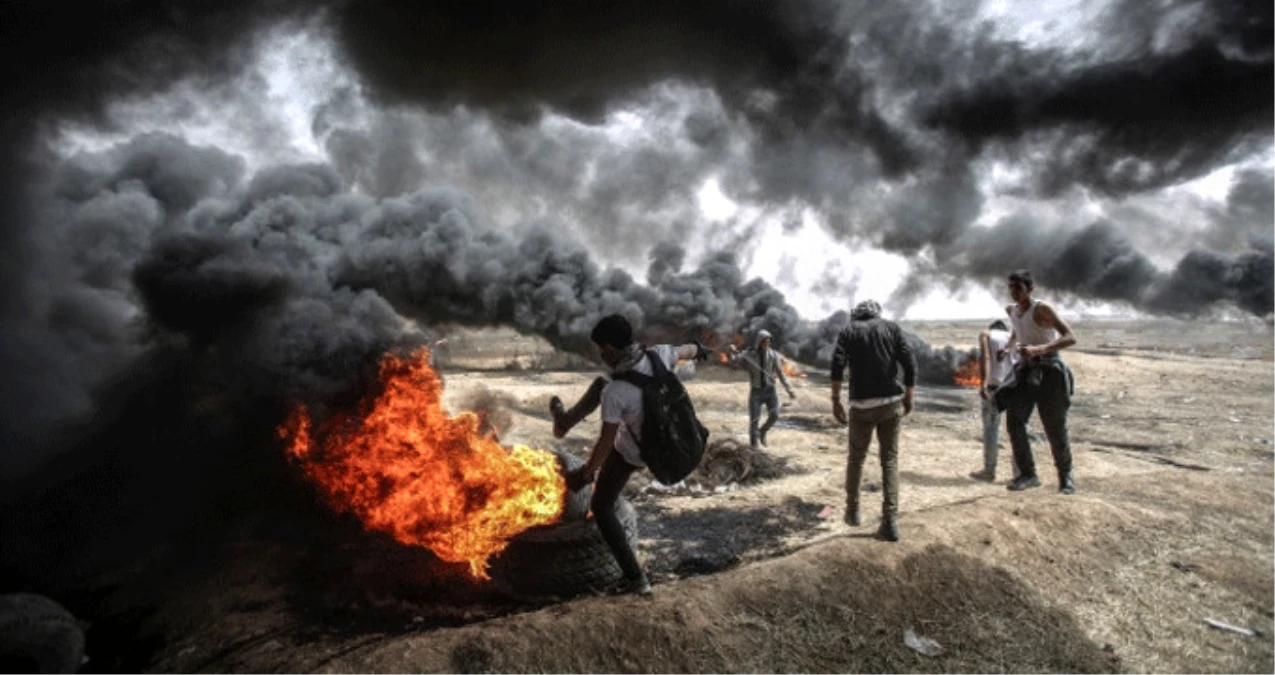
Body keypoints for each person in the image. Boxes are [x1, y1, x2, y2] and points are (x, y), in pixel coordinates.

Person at [551, 314, 706, 595]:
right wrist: (700, 349)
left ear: (609, 349)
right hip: (680, 440)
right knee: (601, 385)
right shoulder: (660, 354)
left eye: (601, 350)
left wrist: (587, 474)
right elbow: (688, 350)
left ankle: (636, 579)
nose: (601, 355)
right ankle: (563, 422)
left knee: (602, 506)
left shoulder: (617, 392)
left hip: (636, 453)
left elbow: (606, 442)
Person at [829, 300, 916, 542]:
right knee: (889, 460)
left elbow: (837, 364)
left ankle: (853, 511)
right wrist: (909, 395)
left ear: (856, 315)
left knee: (856, 458)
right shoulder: (891, 327)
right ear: (877, 314)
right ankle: (890, 521)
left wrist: (835, 399)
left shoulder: (849, 330)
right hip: (890, 403)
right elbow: (909, 362)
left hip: (861, 406)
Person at [995, 270, 1079, 494]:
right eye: (1010, 287)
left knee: (1054, 426)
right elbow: (1017, 328)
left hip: (1049, 370)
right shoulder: (1011, 310)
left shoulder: (1042, 309)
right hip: (1026, 371)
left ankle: (1066, 476)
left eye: (1018, 288)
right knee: (1015, 422)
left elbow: (1070, 337)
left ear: (1030, 289)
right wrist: (1008, 347)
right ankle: (1028, 474)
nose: (1013, 292)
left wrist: (1041, 348)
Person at [727, 329, 796, 452]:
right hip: (756, 392)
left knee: (775, 415)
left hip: (770, 391)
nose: (767, 344)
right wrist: (731, 352)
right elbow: (734, 363)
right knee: (754, 421)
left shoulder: (773, 355)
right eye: (765, 342)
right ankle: (754, 448)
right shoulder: (749, 355)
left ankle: (763, 431)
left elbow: (780, 373)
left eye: (769, 342)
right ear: (759, 342)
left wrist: (789, 389)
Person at [969, 319, 1017, 482]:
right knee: (1017, 431)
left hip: (995, 388)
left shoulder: (986, 334)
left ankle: (989, 471)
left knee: (991, 430)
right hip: (1015, 386)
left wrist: (983, 383)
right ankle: (1019, 473)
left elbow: (986, 358)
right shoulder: (1014, 336)